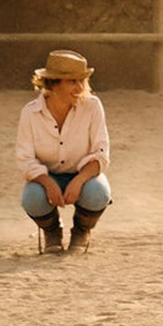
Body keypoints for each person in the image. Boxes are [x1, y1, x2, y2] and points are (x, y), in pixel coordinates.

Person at [15, 50, 111, 253]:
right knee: (32, 197)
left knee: (98, 193)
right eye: (72, 82)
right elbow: (24, 159)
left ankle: (81, 231)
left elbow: (101, 152)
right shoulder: (30, 113)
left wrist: (79, 180)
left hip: (83, 174)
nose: (79, 88)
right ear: (53, 84)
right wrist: (47, 182)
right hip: (45, 176)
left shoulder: (93, 106)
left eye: (81, 81)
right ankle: (52, 232)